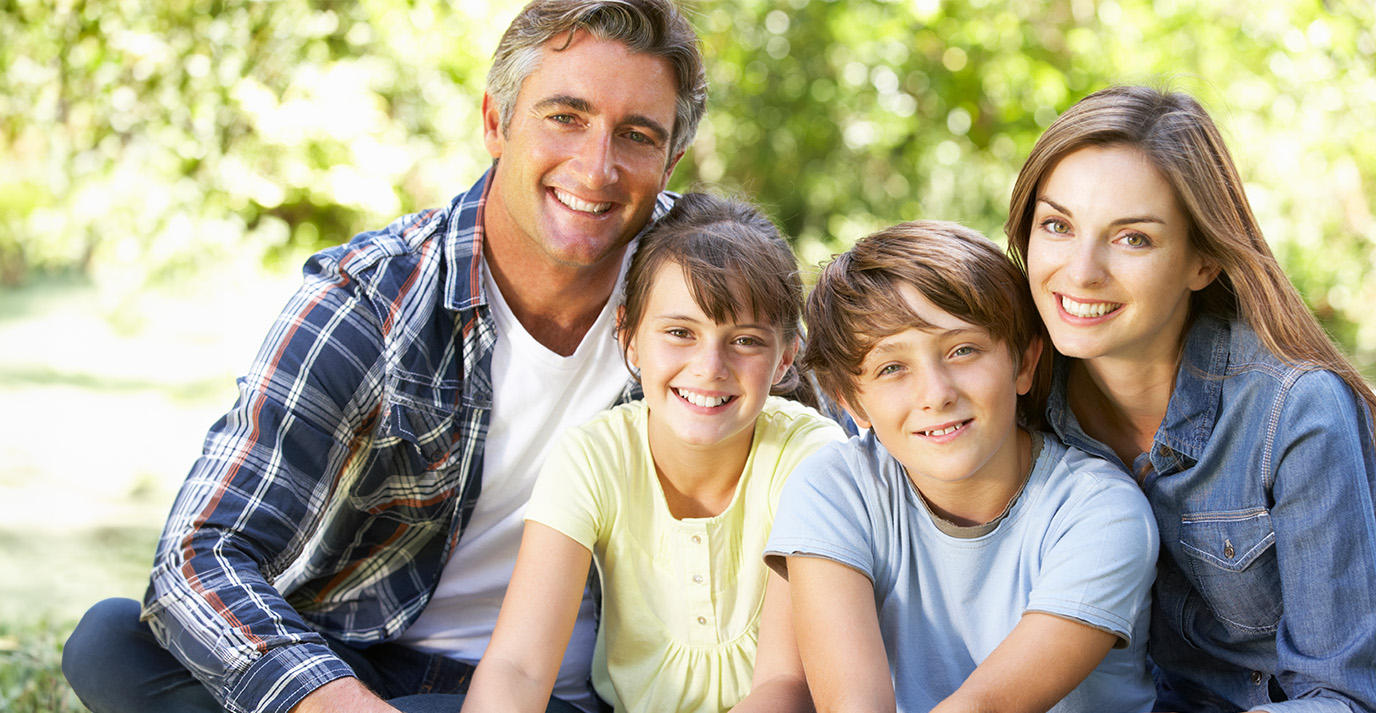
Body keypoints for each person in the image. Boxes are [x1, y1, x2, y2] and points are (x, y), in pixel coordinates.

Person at [59, 2, 708, 712]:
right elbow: (199, 554)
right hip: (358, 659)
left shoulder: (706, 302)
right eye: (566, 116)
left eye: (637, 135)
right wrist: (337, 702)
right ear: (497, 123)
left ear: (671, 160)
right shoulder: (374, 298)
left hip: (545, 691)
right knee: (112, 641)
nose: (597, 165)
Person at [1005, 84, 1376, 712]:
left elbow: (1343, 697)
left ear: (1202, 261)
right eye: (1058, 225)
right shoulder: (1019, 404)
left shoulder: (1295, 412)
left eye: (1133, 238)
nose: (1081, 270)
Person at [457, 192, 844, 713]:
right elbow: (519, 667)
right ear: (630, 337)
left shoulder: (809, 457)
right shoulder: (593, 457)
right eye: (680, 332)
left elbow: (785, 686)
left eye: (746, 341)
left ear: (784, 359)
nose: (710, 367)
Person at [765, 221, 1160, 713]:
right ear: (851, 402)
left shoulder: (1101, 513)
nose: (936, 393)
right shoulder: (834, 489)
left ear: (1024, 364)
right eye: (892, 368)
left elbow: (982, 707)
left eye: (963, 350)